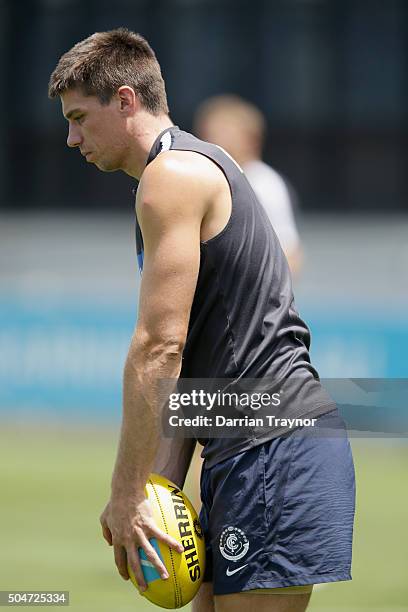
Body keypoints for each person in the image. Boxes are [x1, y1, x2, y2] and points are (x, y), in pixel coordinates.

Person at [48, 28, 355, 612]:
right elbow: (188, 370)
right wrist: (160, 489)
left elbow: (157, 347)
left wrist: (127, 492)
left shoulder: (173, 179)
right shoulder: (172, 177)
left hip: (273, 442)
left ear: (125, 99)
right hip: (242, 443)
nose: (71, 138)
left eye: (80, 118)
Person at [194, 95, 303, 277]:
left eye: (222, 133)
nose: (210, 141)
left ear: (251, 139)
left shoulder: (263, 183)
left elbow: (289, 253)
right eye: (206, 134)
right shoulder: (204, 177)